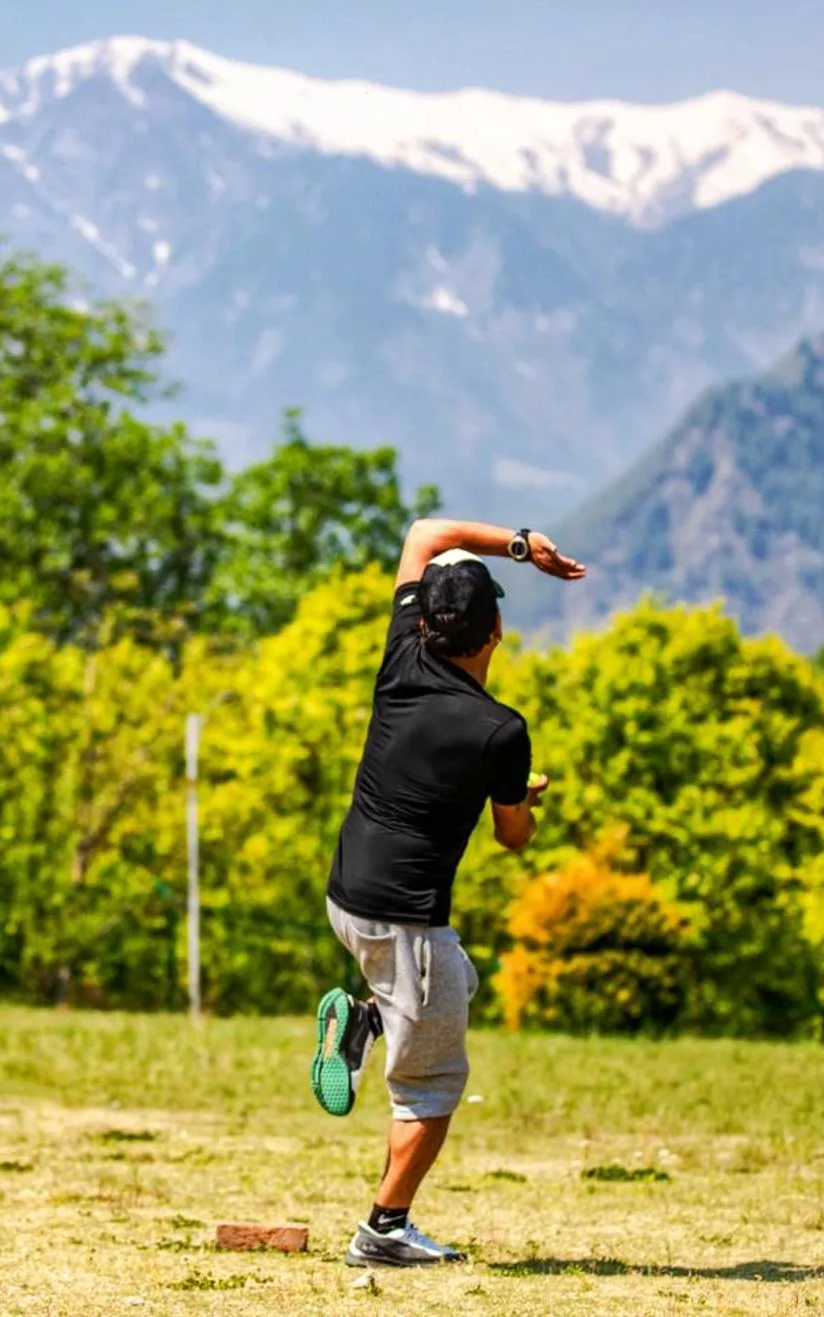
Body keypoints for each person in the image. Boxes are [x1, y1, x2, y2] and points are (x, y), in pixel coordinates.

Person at [309, 519, 586, 1267]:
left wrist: (524, 544)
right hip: (405, 921)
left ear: (424, 618)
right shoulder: (501, 731)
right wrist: (524, 796)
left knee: (453, 981)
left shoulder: (401, 656)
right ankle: (385, 1228)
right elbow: (512, 837)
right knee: (433, 1084)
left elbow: (426, 531)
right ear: (494, 630)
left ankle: (367, 1020)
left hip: (348, 895)